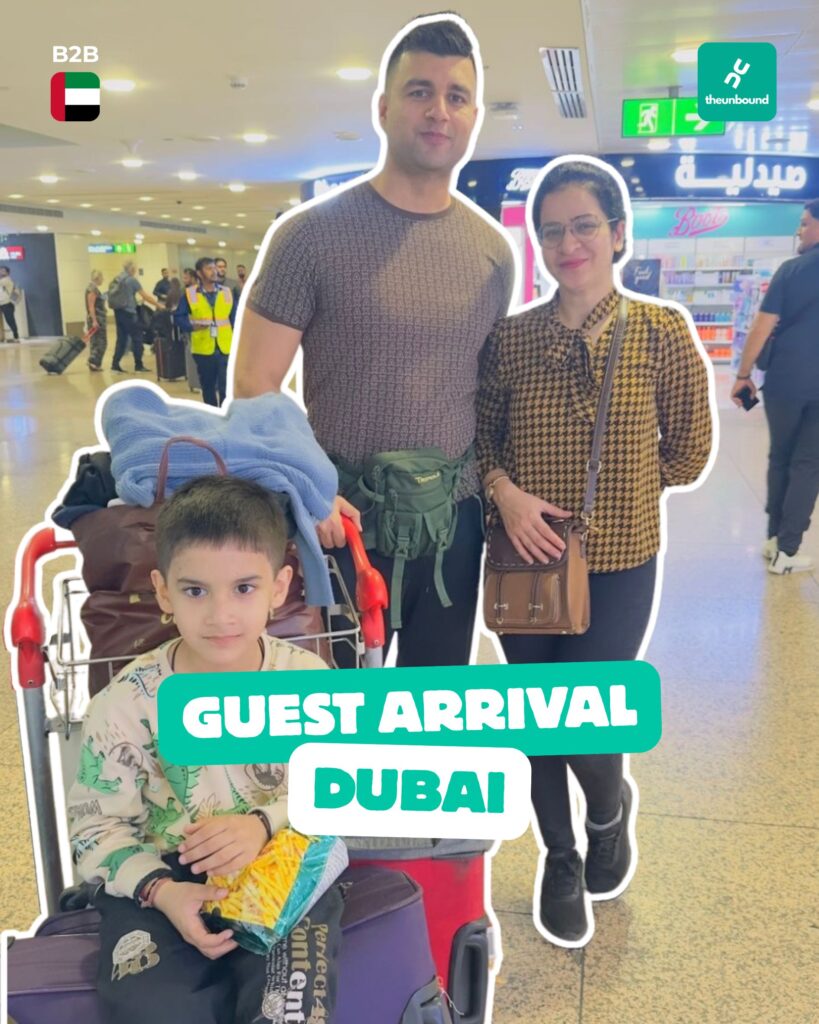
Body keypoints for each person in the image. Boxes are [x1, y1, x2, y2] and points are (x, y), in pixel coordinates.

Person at [476, 157, 713, 948]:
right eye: (551, 231)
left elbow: (689, 451)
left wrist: (621, 497)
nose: (566, 244)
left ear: (616, 234)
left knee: (585, 715)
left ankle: (608, 813)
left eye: (583, 226)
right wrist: (507, 495)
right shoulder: (511, 339)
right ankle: (561, 855)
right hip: (525, 559)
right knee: (535, 716)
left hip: (620, 560)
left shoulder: (660, 332)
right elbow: (481, 441)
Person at [233, 15, 516, 668]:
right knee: (335, 705)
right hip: (340, 520)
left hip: (452, 522)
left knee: (435, 705)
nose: (438, 110)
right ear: (383, 108)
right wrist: (307, 489)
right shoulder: (310, 237)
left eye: (456, 96)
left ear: (473, 118)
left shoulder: (491, 253)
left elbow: (482, 391)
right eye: (420, 91)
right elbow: (254, 383)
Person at [68, 475, 331, 1024]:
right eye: (195, 591)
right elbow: (96, 828)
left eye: (244, 588)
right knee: (151, 1005)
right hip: (159, 879)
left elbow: (342, 782)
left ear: (279, 587)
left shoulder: (308, 682)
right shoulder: (124, 705)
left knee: (288, 1001)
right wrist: (162, 890)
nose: (220, 615)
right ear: (163, 592)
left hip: (281, 859)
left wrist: (263, 823)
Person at [730, 198, 819, 575]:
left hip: (784, 380)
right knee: (808, 463)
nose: (799, 230)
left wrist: (743, 375)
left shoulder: (791, 271)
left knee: (780, 456)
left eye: (805, 222)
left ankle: (773, 539)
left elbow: (763, 325)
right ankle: (787, 550)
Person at [174, 256, 235, 406]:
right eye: (209, 269)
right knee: (208, 386)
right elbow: (178, 316)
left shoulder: (226, 292)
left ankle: (225, 414)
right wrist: (192, 326)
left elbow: (235, 318)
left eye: (215, 268)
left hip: (225, 347)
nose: (214, 271)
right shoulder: (190, 294)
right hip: (203, 348)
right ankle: (212, 414)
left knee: (226, 387)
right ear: (199, 273)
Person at [110, 259, 163, 374]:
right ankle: (138, 365)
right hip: (129, 313)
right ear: (132, 269)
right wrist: (158, 305)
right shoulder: (132, 280)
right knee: (137, 338)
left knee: (121, 339)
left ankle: (115, 365)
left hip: (118, 312)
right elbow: (145, 296)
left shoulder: (118, 278)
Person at [85, 269, 107, 371]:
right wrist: (94, 320)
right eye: (102, 278)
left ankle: (94, 363)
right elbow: (91, 306)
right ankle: (93, 361)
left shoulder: (92, 288)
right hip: (97, 318)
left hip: (96, 318)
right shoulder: (92, 289)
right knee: (101, 342)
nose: (103, 280)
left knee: (95, 341)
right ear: (98, 278)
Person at [0, 266, 20, 342]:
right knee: (10, 320)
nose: (1, 272)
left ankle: (16, 336)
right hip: (1, 303)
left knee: (10, 320)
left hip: (7, 303)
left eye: (3, 271)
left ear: (8, 273)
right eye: (0, 271)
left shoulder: (7, 280)